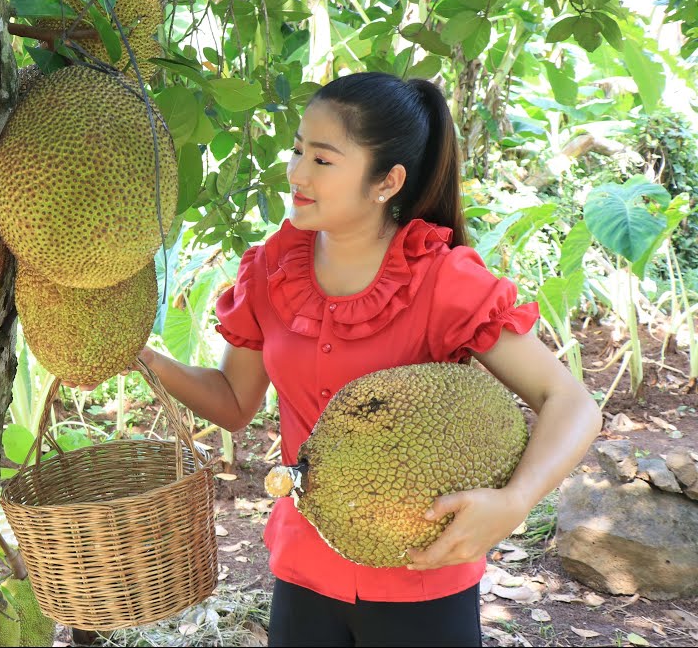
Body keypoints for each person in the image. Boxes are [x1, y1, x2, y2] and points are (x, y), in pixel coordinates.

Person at [134, 72, 602, 647]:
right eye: (298, 150)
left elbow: (571, 402)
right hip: (305, 567)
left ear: (388, 181)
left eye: (324, 160)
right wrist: (145, 357)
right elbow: (234, 404)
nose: (298, 173)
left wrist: (514, 502)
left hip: (423, 572)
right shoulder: (270, 272)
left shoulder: (442, 280)